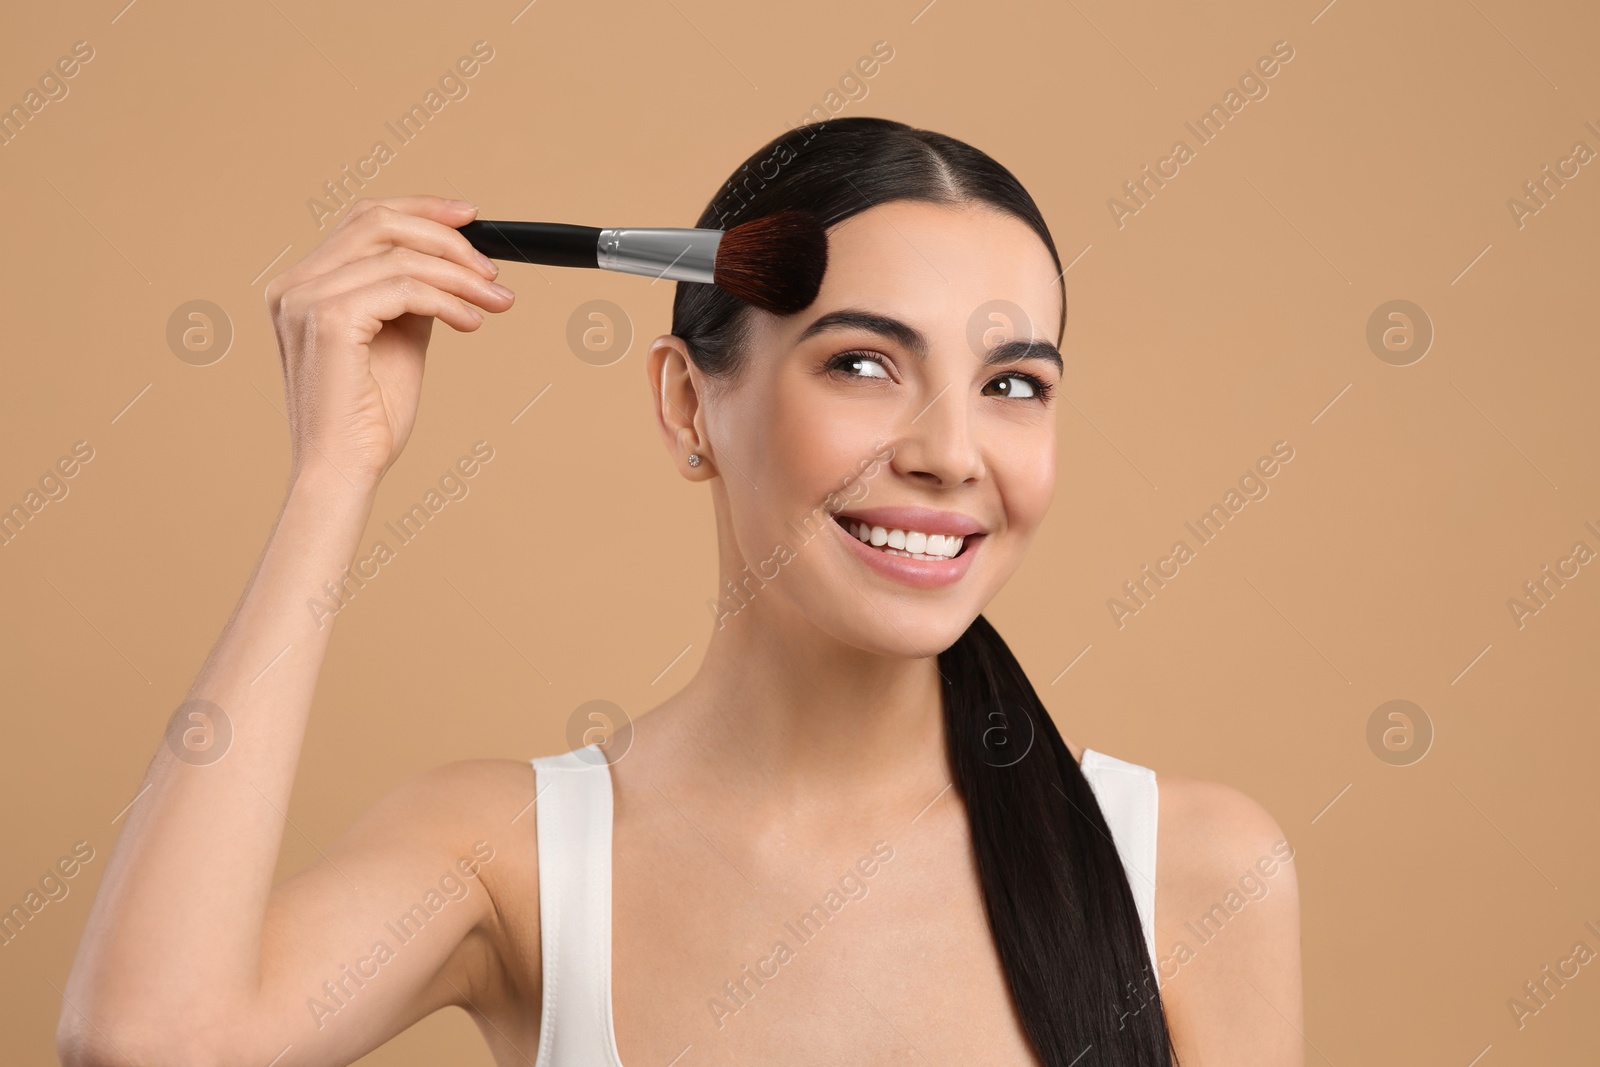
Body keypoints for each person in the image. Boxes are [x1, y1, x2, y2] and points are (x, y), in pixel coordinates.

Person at [57, 117, 1302, 1067]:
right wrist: (335, 472)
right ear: (685, 400)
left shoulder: (1190, 869)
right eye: (863, 362)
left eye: (1014, 382)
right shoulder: (511, 858)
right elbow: (148, 1040)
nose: (951, 450)